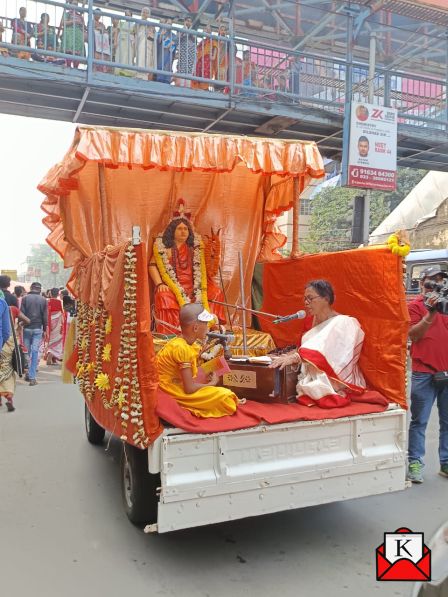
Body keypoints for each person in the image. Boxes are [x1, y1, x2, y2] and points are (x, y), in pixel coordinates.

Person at [270, 280, 366, 408]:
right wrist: (285, 356)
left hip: (334, 377)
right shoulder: (309, 322)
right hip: (309, 372)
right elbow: (303, 350)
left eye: (310, 298)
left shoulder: (344, 323)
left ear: (326, 299)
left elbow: (338, 356)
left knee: (317, 385)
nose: (306, 303)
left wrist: (296, 358)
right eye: (304, 299)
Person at [149, 200, 226, 333]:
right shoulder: (163, 248)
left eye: (185, 229)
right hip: (174, 288)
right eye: (179, 228)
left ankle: (212, 326)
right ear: (172, 231)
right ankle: (172, 331)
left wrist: (212, 255)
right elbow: (152, 265)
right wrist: (159, 283)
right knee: (163, 295)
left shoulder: (195, 248)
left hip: (195, 287)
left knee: (216, 292)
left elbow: (205, 268)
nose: (183, 232)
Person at [156, 303, 238, 418]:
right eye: (205, 323)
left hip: (177, 385)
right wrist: (212, 383)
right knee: (226, 398)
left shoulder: (187, 344)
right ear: (195, 327)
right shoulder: (181, 348)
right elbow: (189, 389)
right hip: (172, 390)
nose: (208, 327)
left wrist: (208, 370)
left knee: (223, 395)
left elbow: (191, 375)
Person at [407, 266, 448, 483]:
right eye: (432, 281)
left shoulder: (446, 306)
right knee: (419, 421)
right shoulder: (415, 306)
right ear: (422, 284)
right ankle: (415, 462)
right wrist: (431, 313)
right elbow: (414, 335)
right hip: (424, 373)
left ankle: (446, 462)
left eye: (440, 281)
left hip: (446, 372)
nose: (437, 285)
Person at [0, 305, 30, 412]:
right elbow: (27, 320)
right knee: (8, 370)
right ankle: (9, 398)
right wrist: (19, 326)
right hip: (8, 342)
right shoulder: (11, 309)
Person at [21, 281, 47, 386]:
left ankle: (27, 372)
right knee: (35, 352)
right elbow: (45, 316)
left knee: (26, 351)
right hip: (37, 329)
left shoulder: (25, 298)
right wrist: (45, 329)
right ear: (40, 289)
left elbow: (21, 313)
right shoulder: (43, 300)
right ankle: (32, 377)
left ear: (31, 288)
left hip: (27, 328)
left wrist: (20, 325)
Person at [59, 0, 85, 68]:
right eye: (74, 4)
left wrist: (82, 24)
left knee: (77, 53)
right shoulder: (67, 14)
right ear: (70, 4)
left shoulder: (80, 16)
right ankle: (68, 66)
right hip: (69, 34)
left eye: (76, 4)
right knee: (69, 52)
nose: (75, 5)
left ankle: (76, 67)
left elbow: (83, 27)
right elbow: (63, 23)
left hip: (78, 36)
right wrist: (74, 21)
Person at [191, 23, 217, 90]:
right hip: (200, 59)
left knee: (206, 74)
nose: (207, 30)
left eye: (208, 29)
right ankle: (198, 87)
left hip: (207, 60)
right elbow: (197, 49)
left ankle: (204, 88)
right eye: (206, 29)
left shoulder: (213, 40)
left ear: (211, 31)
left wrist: (213, 56)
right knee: (198, 73)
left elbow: (215, 47)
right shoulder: (203, 41)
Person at [134, 7, 155, 81]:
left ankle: (144, 75)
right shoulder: (137, 22)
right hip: (139, 43)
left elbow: (152, 36)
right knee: (139, 58)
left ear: (149, 15)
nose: (145, 14)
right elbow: (135, 32)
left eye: (146, 12)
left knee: (146, 59)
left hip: (147, 45)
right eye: (143, 12)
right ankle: (138, 74)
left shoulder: (151, 25)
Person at [175, 15, 196, 88]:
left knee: (189, 68)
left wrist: (189, 30)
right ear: (184, 22)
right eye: (187, 21)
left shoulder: (193, 31)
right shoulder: (180, 30)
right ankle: (181, 85)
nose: (189, 23)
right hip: (183, 52)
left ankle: (187, 85)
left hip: (190, 52)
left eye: (190, 22)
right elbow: (178, 37)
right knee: (182, 67)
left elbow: (194, 39)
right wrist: (185, 29)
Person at [46, 288, 65, 365]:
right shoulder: (59, 302)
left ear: (50, 294)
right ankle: (51, 355)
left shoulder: (47, 301)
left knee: (50, 340)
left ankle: (52, 357)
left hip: (49, 322)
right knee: (57, 340)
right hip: (57, 322)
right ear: (57, 294)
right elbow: (62, 312)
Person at [155, 18, 177, 84]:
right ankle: (159, 80)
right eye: (168, 23)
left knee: (168, 67)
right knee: (160, 66)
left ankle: (167, 81)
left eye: (170, 24)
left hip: (169, 55)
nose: (169, 25)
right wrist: (161, 35)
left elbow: (175, 43)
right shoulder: (160, 32)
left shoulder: (174, 35)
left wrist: (172, 43)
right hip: (161, 54)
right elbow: (158, 42)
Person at [114, 9, 135, 77]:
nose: (127, 16)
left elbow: (135, 34)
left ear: (131, 16)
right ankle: (118, 71)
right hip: (121, 41)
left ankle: (126, 72)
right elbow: (116, 32)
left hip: (129, 42)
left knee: (127, 56)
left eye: (128, 15)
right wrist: (115, 41)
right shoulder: (121, 23)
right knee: (120, 55)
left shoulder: (133, 25)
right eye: (126, 15)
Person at [215, 23, 229, 91]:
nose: (223, 32)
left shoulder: (228, 40)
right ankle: (217, 89)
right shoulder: (216, 39)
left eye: (224, 30)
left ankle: (222, 90)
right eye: (222, 30)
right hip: (217, 60)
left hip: (224, 60)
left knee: (223, 76)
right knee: (217, 75)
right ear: (219, 31)